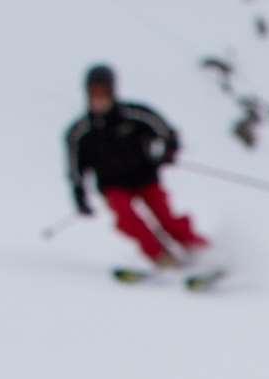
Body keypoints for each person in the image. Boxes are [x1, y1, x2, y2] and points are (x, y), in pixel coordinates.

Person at [65, 64, 209, 271]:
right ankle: (162, 258)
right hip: (112, 185)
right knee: (128, 220)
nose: (99, 98)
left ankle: (202, 252)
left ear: (113, 91)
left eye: (104, 92)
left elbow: (167, 133)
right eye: (94, 92)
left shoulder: (136, 114)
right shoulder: (79, 132)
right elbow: (75, 170)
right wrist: (80, 197)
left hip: (145, 178)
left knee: (167, 219)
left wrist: (168, 152)